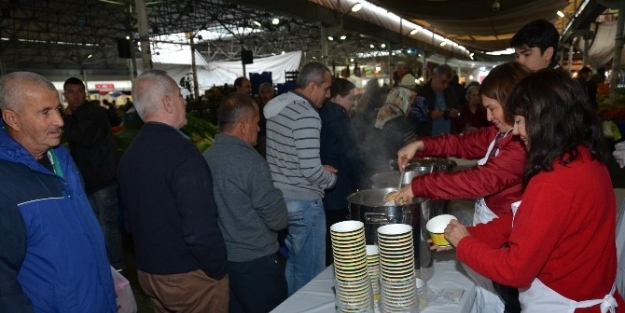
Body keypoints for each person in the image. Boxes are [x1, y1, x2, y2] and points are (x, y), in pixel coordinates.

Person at [441, 69, 625, 312]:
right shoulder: (584, 157)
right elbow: (524, 221)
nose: (515, 132)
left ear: (543, 119)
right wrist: (471, 235)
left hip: (565, 305)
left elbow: (515, 270)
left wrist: (464, 244)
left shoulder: (553, 180)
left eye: (518, 121)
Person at [392, 62, 532, 313]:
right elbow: (463, 144)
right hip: (491, 230)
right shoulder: (500, 133)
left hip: (504, 235)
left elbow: (480, 181)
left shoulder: (520, 145)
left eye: (492, 109)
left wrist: (419, 186)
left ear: (514, 104)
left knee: (502, 299)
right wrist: (422, 145)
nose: (488, 117)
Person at [0, 72, 116, 312]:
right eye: (45, 112)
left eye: (58, 109)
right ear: (13, 119)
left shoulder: (62, 160)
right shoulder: (5, 183)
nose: (60, 121)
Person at [117, 70, 228, 312]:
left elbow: (129, 221)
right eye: (180, 95)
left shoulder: (130, 155)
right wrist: (218, 268)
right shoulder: (183, 155)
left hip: (149, 273)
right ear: (168, 102)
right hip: (188, 277)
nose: (185, 101)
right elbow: (200, 229)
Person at [203, 93, 288, 313]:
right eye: (257, 123)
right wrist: (277, 194)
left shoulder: (206, 157)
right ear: (243, 125)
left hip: (225, 262)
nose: (259, 129)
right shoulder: (251, 162)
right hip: (257, 263)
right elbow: (278, 220)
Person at [264, 61, 338, 296]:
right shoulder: (307, 114)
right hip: (305, 203)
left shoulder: (278, 106)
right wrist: (330, 180)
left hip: (282, 200)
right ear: (313, 85)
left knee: (295, 266)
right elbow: (310, 172)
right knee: (311, 275)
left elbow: (291, 155)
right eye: (326, 89)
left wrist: (317, 167)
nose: (328, 95)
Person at [62, 77, 126, 271]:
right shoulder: (75, 115)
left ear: (85, 93)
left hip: (103, 178)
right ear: (65, 95)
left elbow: (80, 137)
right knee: (96, 224)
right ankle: (105, 265)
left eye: (79, 91)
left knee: (108, 226)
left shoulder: (94, 113)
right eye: (71, 92)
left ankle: (117, 265)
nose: (76, 96)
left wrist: (66, 117)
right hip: (87, 179)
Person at [319, 77, 366, 265]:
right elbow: (352, 155)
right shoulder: (339, 118)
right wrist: (363, 184)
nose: (352, 104)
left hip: (321, 191)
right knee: (343, 248)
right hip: (339, 191)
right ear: (337, 97)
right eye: (350, 99)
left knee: (325, 246)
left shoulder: (316, 113)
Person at [367, 87, 418, 175]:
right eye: (409, 105)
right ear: (403, 104)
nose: (410, 109)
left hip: (372, 171)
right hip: (394, 173)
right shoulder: (403, 124)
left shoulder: (376, 117)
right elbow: (411, 152)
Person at [417, 64, 461, 136]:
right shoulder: (422, 92)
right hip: (428, 137)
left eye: (448, 82)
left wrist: (457, 113)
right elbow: (415, 117)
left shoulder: (450, 91)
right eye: (443, 82)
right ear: (434, 77)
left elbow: (459, 110)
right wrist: (430, 116)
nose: (445, 85)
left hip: (448, 137)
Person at [255, 82, 275, 158]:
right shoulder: (257, 110)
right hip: (262, 140)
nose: (265, 95)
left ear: (273, 93)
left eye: (267, 92)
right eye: (262, 92)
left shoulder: (278, 109)